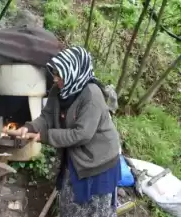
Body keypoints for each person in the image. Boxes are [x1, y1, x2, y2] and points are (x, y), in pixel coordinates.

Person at [16, 46, 121, 217]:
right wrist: (30, 127)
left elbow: (82, 134)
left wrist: (45, 136)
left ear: (73, 72)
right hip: (75, 159)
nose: (55, 79)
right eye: (55, 73)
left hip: (98, 163)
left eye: (59, 74)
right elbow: (47, 116)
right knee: (69, 206)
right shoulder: (59, 91)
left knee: (94, 211)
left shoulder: (92, 95)